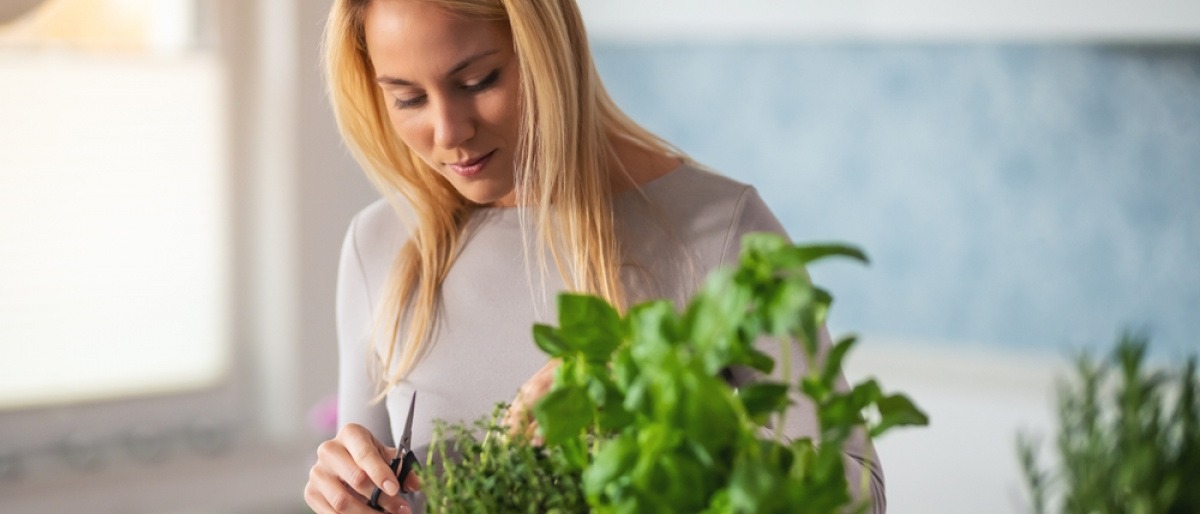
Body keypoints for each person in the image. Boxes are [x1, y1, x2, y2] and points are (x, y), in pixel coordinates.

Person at [304, 0, 885, 513]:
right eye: (407, 98)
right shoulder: (377, 246)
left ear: (547, 49)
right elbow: (381, 492)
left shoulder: (719, 228)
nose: (449, 130)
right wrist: (349, 490)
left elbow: (856, 493)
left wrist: (664, 425)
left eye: (479, 81)